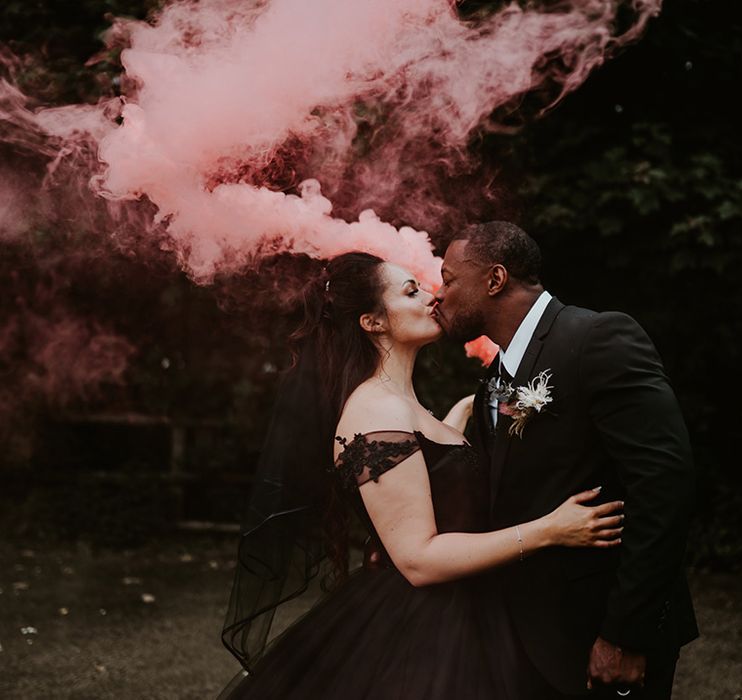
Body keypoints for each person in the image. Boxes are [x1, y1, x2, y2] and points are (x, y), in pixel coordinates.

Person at [219, 251, 624, 699]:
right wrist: (549, 531)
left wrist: (469, 411)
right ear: (372, 323)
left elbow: (431, 478)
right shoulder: (375, 410)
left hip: (477, 605)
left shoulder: (405, 407)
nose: (432, 297)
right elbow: (418, 559)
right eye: (411, 291)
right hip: (430, 627)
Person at [433, 222, 699, 699]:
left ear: (494, 280)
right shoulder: (493, 379)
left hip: (599, 629)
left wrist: (625, 634)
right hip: (521, 634)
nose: (439, 294)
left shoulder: (598, 337)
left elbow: (664, 486)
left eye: (448, 279)